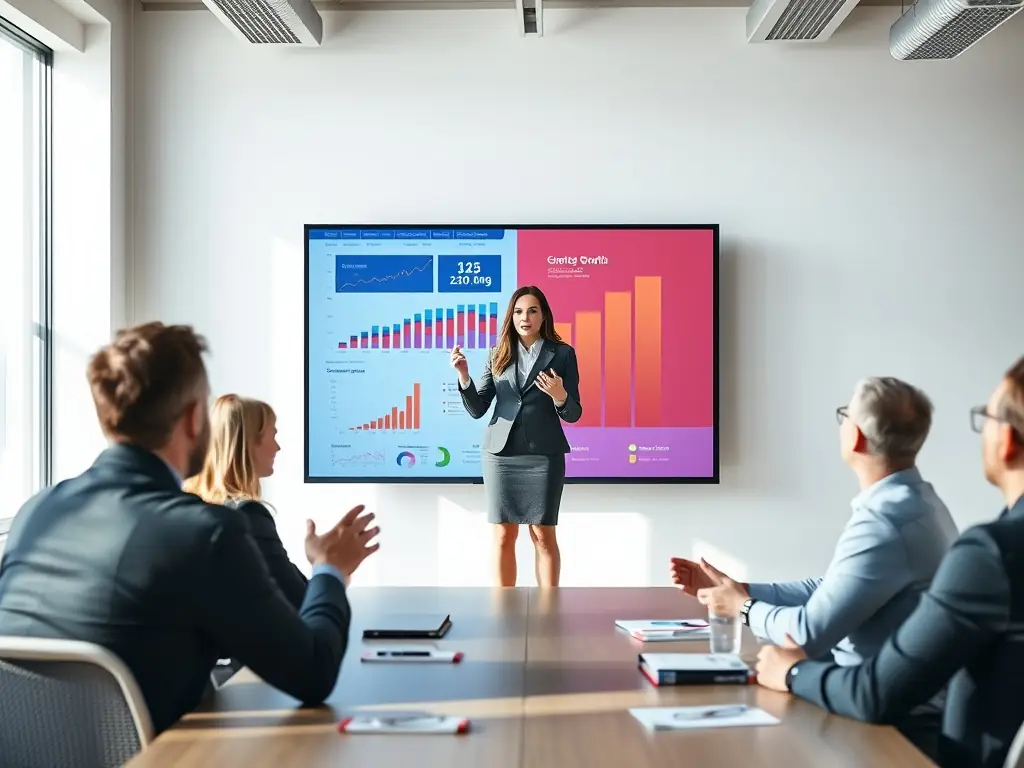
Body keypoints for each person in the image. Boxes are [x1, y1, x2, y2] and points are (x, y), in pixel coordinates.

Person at [0, 322, 380, 735]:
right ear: (195, 417)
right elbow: (313, 673)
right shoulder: (206, 533)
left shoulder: (36, 513)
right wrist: (330, 570)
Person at [756, 357, 1024, 768]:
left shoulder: (991, 555)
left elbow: (877, 694)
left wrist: (791, 672)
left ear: (1007, 440)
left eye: (985, 417)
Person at [670, 377, 958, 668]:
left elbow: (806, 635)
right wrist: (739, 589)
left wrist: (742, 607)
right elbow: (833, 588)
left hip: (862, 699)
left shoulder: (885, 523)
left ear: (856, 436)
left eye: (845, 414)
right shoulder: (920, 503)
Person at [452, 285, 582, 588]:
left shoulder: (562, 354)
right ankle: (503, 608)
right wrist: (463, 376)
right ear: (511, 317)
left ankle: (549, 608)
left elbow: (573, 413)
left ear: (543, 316)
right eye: (519, 311)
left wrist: (560, 395)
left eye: (532, 310)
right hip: (500, 455)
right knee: (503, 534)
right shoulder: (497, 354)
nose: (525, 317)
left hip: (544, 455)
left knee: (543, 534)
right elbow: (478, 408)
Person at [184, 395, 307, 608]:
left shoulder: (189, 506)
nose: (277, 447)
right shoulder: (249, 516)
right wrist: (329, 569)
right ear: (250, 442)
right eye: (273, 434)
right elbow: (298, 598)